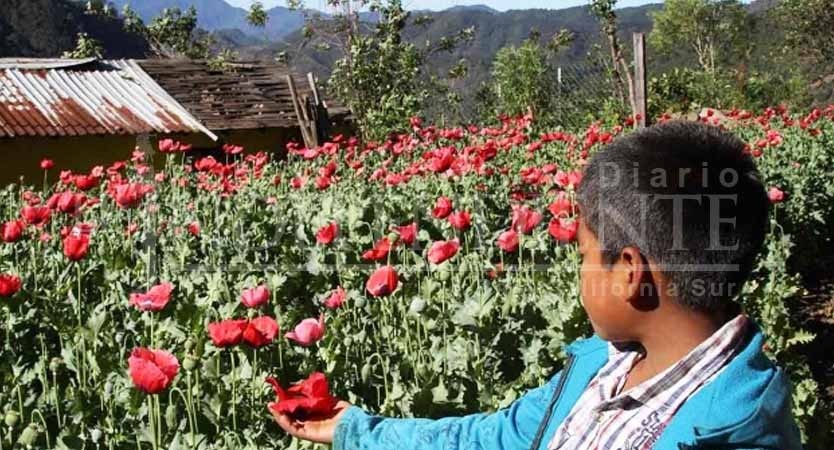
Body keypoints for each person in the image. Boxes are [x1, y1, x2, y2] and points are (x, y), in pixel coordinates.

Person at [269, 121, 803, 450]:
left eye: (584, 255)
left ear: (629, 274)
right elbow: (493, 439)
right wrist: (355, 430)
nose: (578, 272)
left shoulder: (730, 434)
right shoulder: (602, 368)